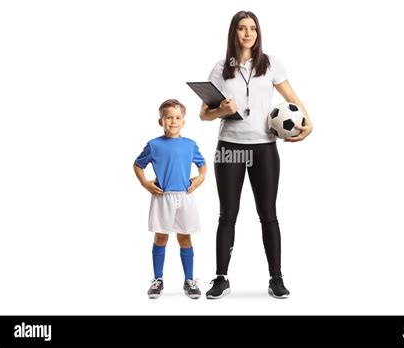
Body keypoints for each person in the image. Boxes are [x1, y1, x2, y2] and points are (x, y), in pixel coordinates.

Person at [200, 11, 313, 299]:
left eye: (252, 28)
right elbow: (204, 115)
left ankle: (276, 278)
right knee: (228, 215)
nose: (248, 34)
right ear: (233, 33)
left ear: (258, 33)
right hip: (230, 147)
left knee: (268, 214)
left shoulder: (271, 64)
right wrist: (221, 111)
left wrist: (308, 121)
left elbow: (292, 98)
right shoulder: (221, 68)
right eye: (241, 28)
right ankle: (221, 278)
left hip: (264, 147)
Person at [134, 99, 207, 299]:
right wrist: (145, 183)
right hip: (162, 197)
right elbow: (138, 165)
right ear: (161, 121)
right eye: (168, 117)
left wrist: (199, 179)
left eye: (177, 117)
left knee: (185, 237)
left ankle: (189, 280)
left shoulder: (190, 145)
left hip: (185, 197)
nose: (173, 121)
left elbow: (202, 165)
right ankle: (157, 280)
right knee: (161, 237)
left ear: (183, 121)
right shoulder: (154, 145)